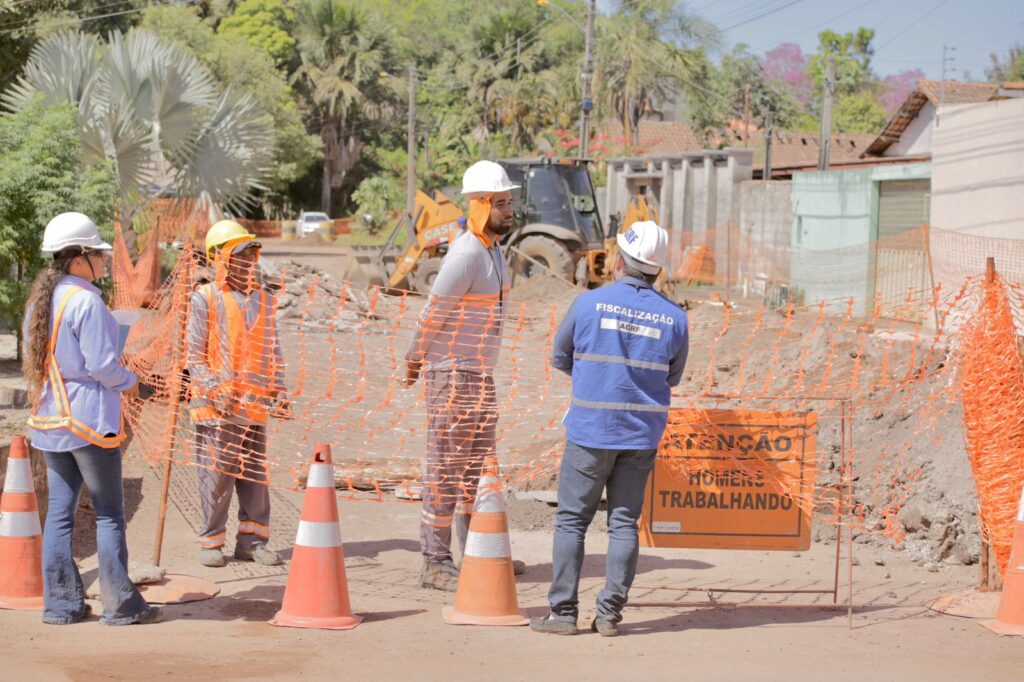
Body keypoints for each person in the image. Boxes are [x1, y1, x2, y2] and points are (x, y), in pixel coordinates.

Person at [531, 220, 689, 637]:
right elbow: (671, 378)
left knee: (571, 522)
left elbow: (560, 356)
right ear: (657, 269)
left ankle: (563, 615)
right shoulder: (675, 319)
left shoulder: (588, 304)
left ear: (619, 260)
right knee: (623, 523)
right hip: (640, 437)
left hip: (589, 432)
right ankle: (609, 616)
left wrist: (591, 380)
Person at [24, 212, 161, 625]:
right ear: (78, 257)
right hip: (88, 420)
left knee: (60, 515)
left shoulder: (40, 301)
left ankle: (62, 606)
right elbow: (103, 367)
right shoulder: (86, 300)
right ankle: (121, 606)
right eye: (99, 254)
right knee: (108, 513)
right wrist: (135, 383)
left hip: (51, 419)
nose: (104, 261)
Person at [402, 160, 522, 591]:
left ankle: (478, 551)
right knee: (446, 468)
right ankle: (434, 561)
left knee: (477, 466)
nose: (510, 211)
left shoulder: (493, 252)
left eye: (510, 202)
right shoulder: (467, 253)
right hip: (452, 375)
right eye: (502, 203)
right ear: (479, 205)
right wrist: (414, 357)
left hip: (479, 375)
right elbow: (433, 312)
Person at [186, 220, 288, 567]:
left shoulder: (263, 300)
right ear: (220, 259)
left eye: (251, 254)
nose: (248, 262)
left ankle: (252, 542)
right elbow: (193, 357)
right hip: (217, 409)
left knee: (254, 476)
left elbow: (272, 349)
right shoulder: (204, 298)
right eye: (240, 255)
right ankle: (212, 542)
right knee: (216, 477)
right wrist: (214, 391)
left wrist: (280, 388)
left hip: (254, 407)